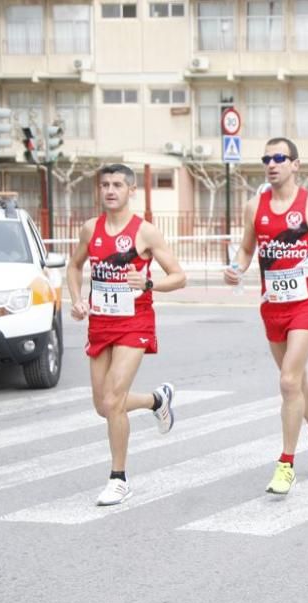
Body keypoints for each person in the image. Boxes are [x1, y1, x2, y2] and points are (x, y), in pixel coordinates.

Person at [223, 137, 308, 495]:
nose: (272, 163)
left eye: (279, 157)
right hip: (273, 305)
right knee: (295, 379)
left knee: (287, 381)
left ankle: (285, 464)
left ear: (296, 164)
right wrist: (236, 268)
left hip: (306, 304)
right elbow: (248, 248)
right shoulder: (255, 207)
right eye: (267, 158)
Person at [66, 164, 186, 506]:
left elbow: (178, 276)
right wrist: (76, 300)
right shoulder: (91, 229)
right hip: (100, 323)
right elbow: (74, 266)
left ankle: (118, 478)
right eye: (104, 184)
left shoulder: (145, 232)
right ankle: (156, 400)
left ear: (130, 190)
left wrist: (149, 283)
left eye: (117, 184)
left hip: (135, 323)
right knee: (103, 406)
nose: (110, 190)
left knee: (114, 398)